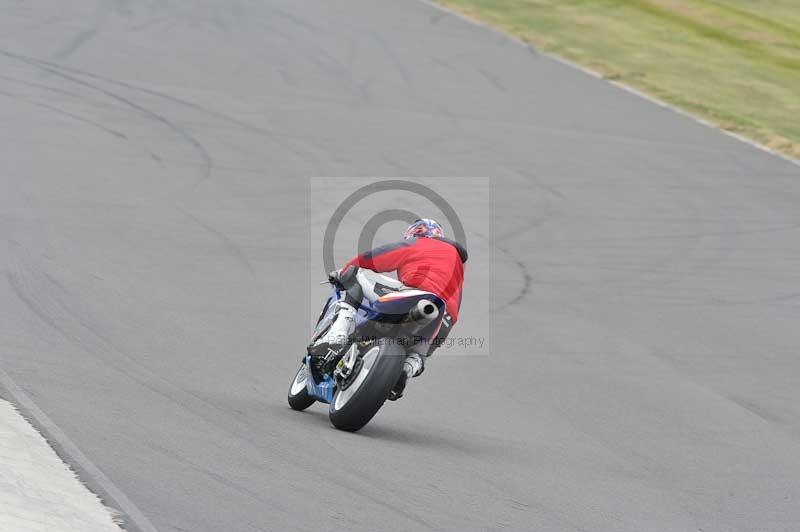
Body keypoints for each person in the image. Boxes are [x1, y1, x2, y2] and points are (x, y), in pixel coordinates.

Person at [313, 218, 467, 400]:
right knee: (418, 354)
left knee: (354, 273)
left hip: (415, 294)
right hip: (444, 318)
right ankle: (406, 371)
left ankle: (337, 334)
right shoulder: (457, 263)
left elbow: (375, 258)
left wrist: (343, 271)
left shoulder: (420, 243)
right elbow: (455, 304)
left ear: (415, 233)